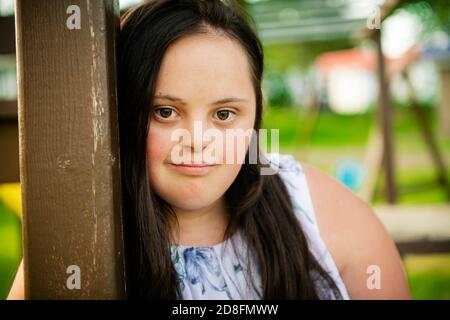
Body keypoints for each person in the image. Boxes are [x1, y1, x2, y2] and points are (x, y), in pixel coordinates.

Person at [8, 0, 411, 300]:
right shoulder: (78, 241)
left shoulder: (314, 208)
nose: (198, 139)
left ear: (254, 114)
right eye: (165, 111)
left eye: (224, 113)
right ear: (124, 110)